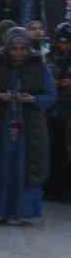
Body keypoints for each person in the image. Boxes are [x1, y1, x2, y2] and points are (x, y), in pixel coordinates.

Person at [0, 27, 56, 225]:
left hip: (29, 128)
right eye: (14, 48)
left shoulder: (39, 67)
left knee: (24, 168)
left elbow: (50, 96)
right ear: (7, 48)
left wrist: (34, 99)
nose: (19, 52)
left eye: (23, 48)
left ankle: (21, 211)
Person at [47, 23, 71, 202]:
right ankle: (54, 187)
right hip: (53, 109)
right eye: (63, 41)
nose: (65, 45)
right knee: (54, 149)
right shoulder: (50, 57)